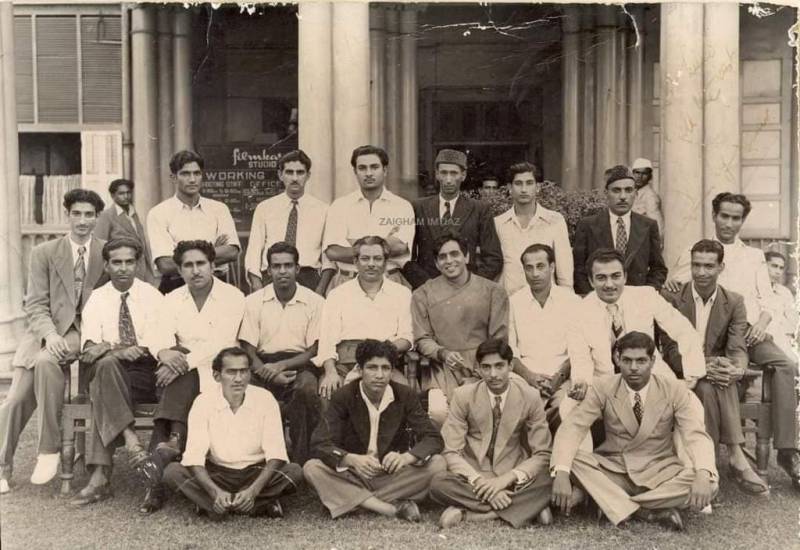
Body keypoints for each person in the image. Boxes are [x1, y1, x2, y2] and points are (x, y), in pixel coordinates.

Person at [666, 192, 800, 488]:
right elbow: (675, 284)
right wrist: (673, 282)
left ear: (743, 221)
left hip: (748, 331)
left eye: (736, 218)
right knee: (718, 372)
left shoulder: (753, 257)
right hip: (708, 334)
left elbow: (768, 301)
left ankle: (788, 452)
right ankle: (723, 457)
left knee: (786, 365)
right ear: (714, 216)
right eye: (724, 216)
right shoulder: (697, 251)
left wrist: (762, 326)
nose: (728, 223)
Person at [551, 332, 718, 531]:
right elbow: (574, 427)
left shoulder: (674, 389)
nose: (633, 368)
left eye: (641, 361)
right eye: (627, 360)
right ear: (617, 359)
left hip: (661, 471)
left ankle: (616, 503)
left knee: (710, 482)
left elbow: (695, 433)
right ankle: (646, 510)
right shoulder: (603, 387)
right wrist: (561, 472)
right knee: (572, 461)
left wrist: (702, 472)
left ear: (653, 361)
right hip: (614, 469)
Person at [0, 189, 108, 493]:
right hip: (45, 332)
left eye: (89, 214)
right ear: (67, 215)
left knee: (50, 361)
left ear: (97, 217)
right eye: (77, 213)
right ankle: (3, 466)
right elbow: (35, 304)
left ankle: (48, 449)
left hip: (88, 333)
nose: (83, 221)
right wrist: (50, 335)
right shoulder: (45, 253)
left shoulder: (107, 252)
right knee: (17, 398)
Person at [138, 240, 246, 514]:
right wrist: (164, 352)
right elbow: (157, 332)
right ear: (179, 269)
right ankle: (168, 449)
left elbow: (222, 342)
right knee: (179, 373)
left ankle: (166, 456)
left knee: (180, 374)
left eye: (201, 264)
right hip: (183, 369)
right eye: (188, 265)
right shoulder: (173, 298)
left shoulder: (233, 297)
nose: (195, 270)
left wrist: (180, 362)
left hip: (219, 368)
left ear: (213, 266)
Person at [659, 240, 768, 495]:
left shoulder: (734, 302)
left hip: (719, 376)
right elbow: (670, 350)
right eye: (696, 265)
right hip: (682, 373)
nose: (701, 272)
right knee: (711, 383)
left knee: (716, 383)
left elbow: (737, 346)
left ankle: (708, 468)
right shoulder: (673, 298)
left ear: (721, 267)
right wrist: (702, 366)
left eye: (709, 266)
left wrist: (737, 369)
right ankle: (734, 455)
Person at [70, 238, 172, 506]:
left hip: (144, 373)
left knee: (103, 385)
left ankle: (101, 477)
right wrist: (116, 349)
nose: (124, 268)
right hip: (108, 368)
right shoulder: (97, 299)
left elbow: (161, 340)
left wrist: (130, 348)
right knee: (105, 366)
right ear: (107, 264)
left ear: (137, 264)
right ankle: (130, 440)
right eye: (117, 262)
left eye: (129, 262)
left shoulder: (152, 295)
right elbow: (90, 349)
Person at [303, 340, 445, 522]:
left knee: (438, 464)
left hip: (391, 475)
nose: (379, 375)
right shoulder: (344, 396)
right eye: (372, 368)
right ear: (360, 370)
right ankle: (390, 509)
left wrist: (406, 457)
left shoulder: (405, 395)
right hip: (355, 473)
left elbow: (433, 438)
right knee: (312, 468)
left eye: (385, 368)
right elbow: (319, 443)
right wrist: (351, 459)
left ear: (392, 371)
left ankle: (353, 501)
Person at [163, 347, 303, 519]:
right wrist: (215, 491)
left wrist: (253, 491)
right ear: (216, 376)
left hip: (255, 472)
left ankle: (212, 504)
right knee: (172, 472)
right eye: (231, 372)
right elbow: (194, 457)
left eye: (243, 372)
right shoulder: (203, 402)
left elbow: (276, 454)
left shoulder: (265, 399)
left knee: (294, 472)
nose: (238, 379)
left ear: (250, 374)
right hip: (217, 473)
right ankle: (257, 504)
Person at [430, 339, 554, 529]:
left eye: (499, 366)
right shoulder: (463, 395)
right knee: (438, 482)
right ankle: (527, 508)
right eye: (486, 367)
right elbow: (450, 451)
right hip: (473, 475)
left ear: (511, 366)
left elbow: (543, 454)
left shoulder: (530, 396)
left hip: (512, 475)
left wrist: (506, 479)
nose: (493, 374)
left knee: (552, 476)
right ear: (478, 368)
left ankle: (471, 515)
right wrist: (483, 483)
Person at [568, 249, 706, 403]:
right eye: (601, 278)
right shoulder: (579, 311)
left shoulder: (646, 296)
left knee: (692, 405)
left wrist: (692, 373)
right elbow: (580, 357)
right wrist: (582, 382)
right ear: (591, 281)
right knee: (569, 408)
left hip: (652, 376)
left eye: (615, 276)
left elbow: (683, 329)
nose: (609, 284)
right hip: (606, 383)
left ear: (625, 277)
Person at [239, 241, 324, 465]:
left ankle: (300, 459)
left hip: (300, 363)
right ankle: (253, 458)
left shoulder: (315, 302)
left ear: (297, 269)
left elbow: (314, 348)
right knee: (246, 391)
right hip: (262, 363)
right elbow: (247, 346)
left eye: (288, 265)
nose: (282, 271)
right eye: (276, 266)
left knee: (306, 390)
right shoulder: (253, 302)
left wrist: (283, 366)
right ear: (268, 270)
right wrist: (266, 371)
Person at [411, 233, 508, 425]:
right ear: (437, 264)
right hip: (441, 367)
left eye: (454, 254)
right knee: (439, 411)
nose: (449, 261)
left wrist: (479, 372)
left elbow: (498, 338)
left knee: (488, 413)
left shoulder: (493, 291)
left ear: (467, 257)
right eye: (442, 257)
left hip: (484, 366)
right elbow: (422, 338)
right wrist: (443, 353)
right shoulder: (422, 293)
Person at [315, 236, 414, 399]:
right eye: (365, 258)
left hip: (384, 364)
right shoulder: (337, 295)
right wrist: (331, 372)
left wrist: (377, 355)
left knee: (404, 395)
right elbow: (327, 342)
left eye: (377, 258)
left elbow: (407, 338)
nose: (371, 264)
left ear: (386, 262)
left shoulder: (402, 294)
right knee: (329, 395)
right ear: (355, 262)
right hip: (345, 364)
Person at [404, 149, 502, 289]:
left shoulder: (479, 209)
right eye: (444, 173)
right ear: (437, 174)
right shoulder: (418, 207)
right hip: (428, 292)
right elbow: (408, 256)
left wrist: (471, 286)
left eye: (454, 173)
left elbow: (493, 258)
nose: (448, 179)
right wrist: (427, 286)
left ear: (463, 175)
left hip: (467, 293)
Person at [322, 145, 415, 293]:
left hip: (390, 282)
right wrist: (383, 244)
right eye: (362, 168)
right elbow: (333, 252)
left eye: (374, 167)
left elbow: (400, 248)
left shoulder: (402, 206)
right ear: (355, 172)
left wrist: (354, 244)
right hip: (347, 281)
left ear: (385, 170)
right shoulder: (339, 206)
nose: (368, 173)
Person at [147, 150, 241, 293]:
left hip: (216, 285)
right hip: (176, 286)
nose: (192, 179)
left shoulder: (219, 209)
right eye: (185, 174)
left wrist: (179, 256)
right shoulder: (158, 213)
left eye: (197, 173)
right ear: (173, 177)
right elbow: (165, 264)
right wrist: (212, 251)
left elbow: (232, 252)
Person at [508, 244, 582, 417]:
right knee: (519, 407)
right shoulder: (513, 302)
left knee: (566, 409)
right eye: (529, 268)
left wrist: (560, 376)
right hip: (525, 376)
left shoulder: (571, 301)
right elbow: (510, 350)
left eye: (540, 266)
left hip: (563, 375)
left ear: (552, 267)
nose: (535, 274)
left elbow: (579, 349)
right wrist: (530, 377)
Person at [244, 149, 332, 294]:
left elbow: (328, 258)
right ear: (280, 175)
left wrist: (320, 290)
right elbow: (253, 251)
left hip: (308, 277)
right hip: (272, 275)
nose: (295, 178)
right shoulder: (265, 208)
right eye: (289, 172)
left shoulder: (324, 210)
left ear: (308, 175)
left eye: (300, 172)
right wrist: (258, 287)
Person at [573, 165, 667, 296]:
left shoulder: (648, 225)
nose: (623, 196)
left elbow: (658, 269)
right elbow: (579, 269)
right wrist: (593, 297)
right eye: (616, 190)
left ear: (635, 193)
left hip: (637, 302)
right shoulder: (587, 225)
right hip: (598, 300)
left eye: (628, 190)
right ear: (606, 193)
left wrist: (646, 295)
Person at [494, 162, 573, 295]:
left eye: (529, 183)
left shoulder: (554, 221)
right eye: (518, 183)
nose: (524, 189)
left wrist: (565, 301)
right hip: (510, 302)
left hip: (546, 303)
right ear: (510, 188)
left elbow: (564, 271)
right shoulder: (499, 223)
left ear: (538, 187)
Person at [93, 178, 155, 284]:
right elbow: (99, 246)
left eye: (128, 193)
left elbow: (141, 242)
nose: (126, 196)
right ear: (113, 196)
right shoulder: (107, 215)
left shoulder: (133, 214)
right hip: (121, 271)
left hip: (140, 268)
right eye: (121, 193)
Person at [764, 250, 797, 357]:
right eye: (774, 266)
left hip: (783, 341)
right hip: (761, 342)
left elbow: (794, 322)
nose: (778, 271)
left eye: (781, 268)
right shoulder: (752, 291)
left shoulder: (784, 293)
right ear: (763, 266)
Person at [630, 158, 664, 246]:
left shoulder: (650, 196)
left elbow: (657, 225)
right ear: (632, 173)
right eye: (637, 172)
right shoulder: (632, 192)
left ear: (649, 176)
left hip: (643, 242)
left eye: (644, 173)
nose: (640, 177)